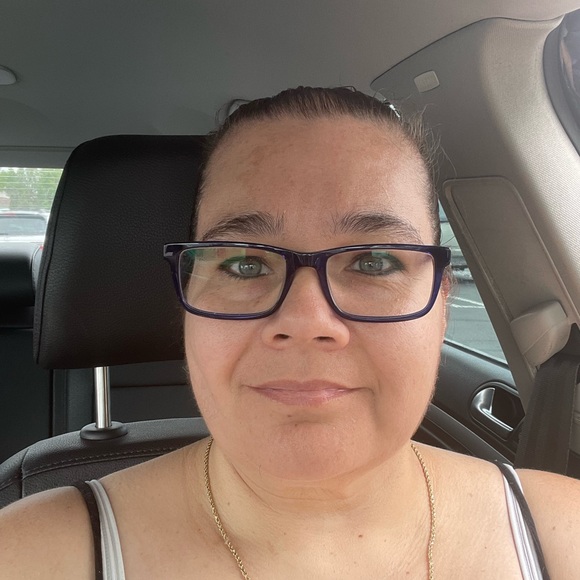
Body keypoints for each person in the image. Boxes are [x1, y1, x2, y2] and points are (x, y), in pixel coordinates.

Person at [1, 86, 580, 579]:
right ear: (186, 299)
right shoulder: (28, 556)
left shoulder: (563, 535)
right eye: (244, 263)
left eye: (374, 261)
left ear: (442, 302)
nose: (306, 323)